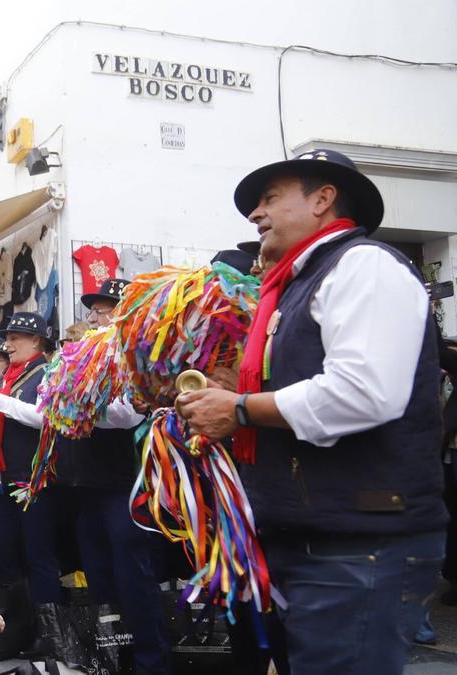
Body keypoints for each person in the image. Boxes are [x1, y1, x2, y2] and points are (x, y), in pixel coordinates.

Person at [179, 150, 445, 675]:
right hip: (313, 541)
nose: (256, 214)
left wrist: (241, 408)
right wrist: (232, 391)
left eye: (270, 198)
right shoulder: (295, 285)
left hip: (359, 546)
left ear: (324, 199)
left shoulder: (363, 263)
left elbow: (365, 392)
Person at [53, 279, 170, 675]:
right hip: (87, 486)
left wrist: (77, 408)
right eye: (93, 310)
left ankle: (151, 663)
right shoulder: (90, 355)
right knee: (100, 582)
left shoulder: (137, 355)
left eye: (102, 310)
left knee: (134, 579)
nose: (94, 317)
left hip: (124, 488)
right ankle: (114, 660)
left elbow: (127, 416)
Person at [0, 312, 64, 611]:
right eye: (8, 338)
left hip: (33, 480)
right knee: (2, 552)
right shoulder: (7, 377)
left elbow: (44, 418)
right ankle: (16, 627)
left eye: (14, 338)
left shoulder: (48, 372)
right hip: (5, 477)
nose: (7, 345)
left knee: (40, 557)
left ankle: (51, 636)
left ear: (36, 340)